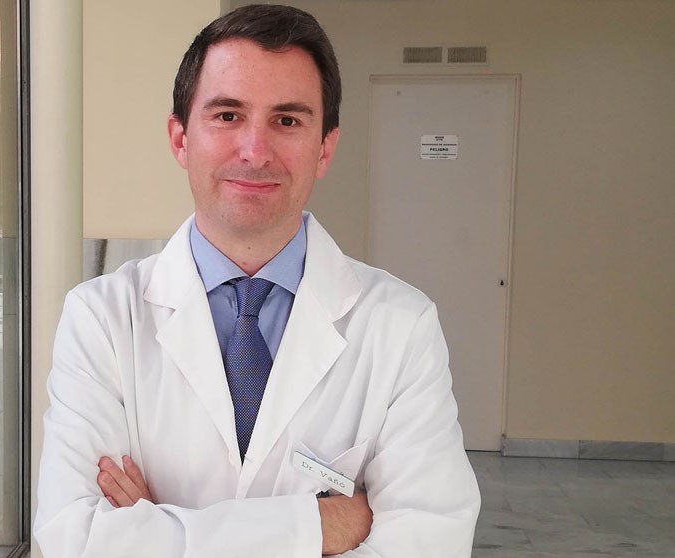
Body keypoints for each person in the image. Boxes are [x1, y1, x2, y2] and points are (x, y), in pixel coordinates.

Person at [34, 4, 480, 556]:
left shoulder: (402, 326)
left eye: (287, 121)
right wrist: (320, 525)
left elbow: (431, 541)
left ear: (325, 148)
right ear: (180, 138)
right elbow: (75, 540)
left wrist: (156, 529)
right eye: (227, 115)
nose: (255, 151)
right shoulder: (101, 318)